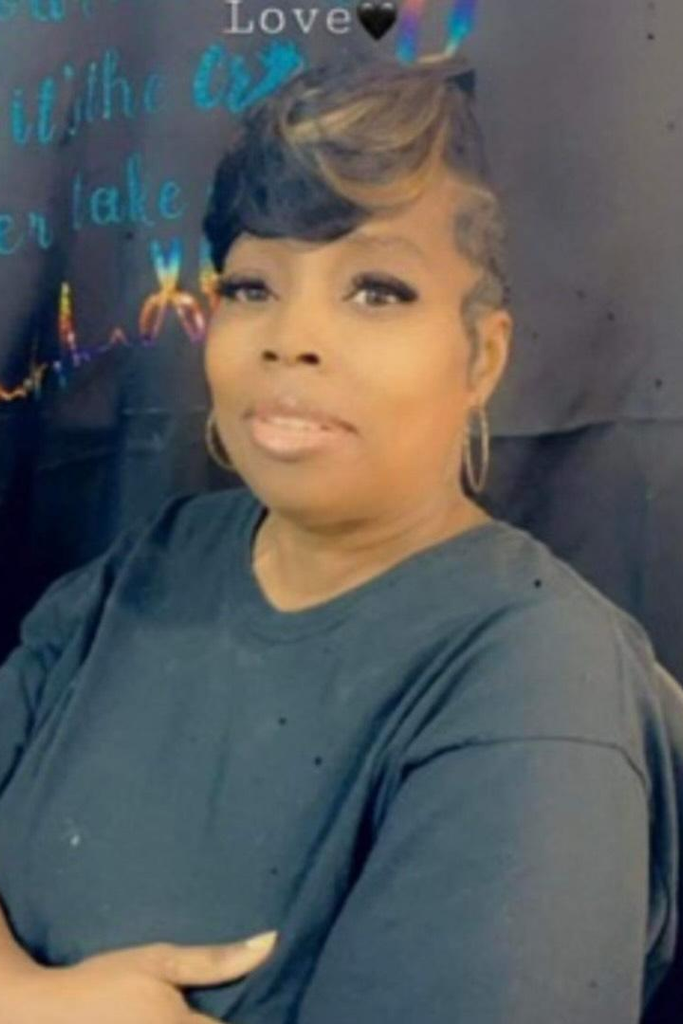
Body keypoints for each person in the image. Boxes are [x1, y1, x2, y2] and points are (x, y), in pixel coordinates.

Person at [0, 52, 681, 1024]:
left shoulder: (536, 674)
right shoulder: (148, 568)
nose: (292, 337)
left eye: (376, 290)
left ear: (480, 355)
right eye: (252, 287)